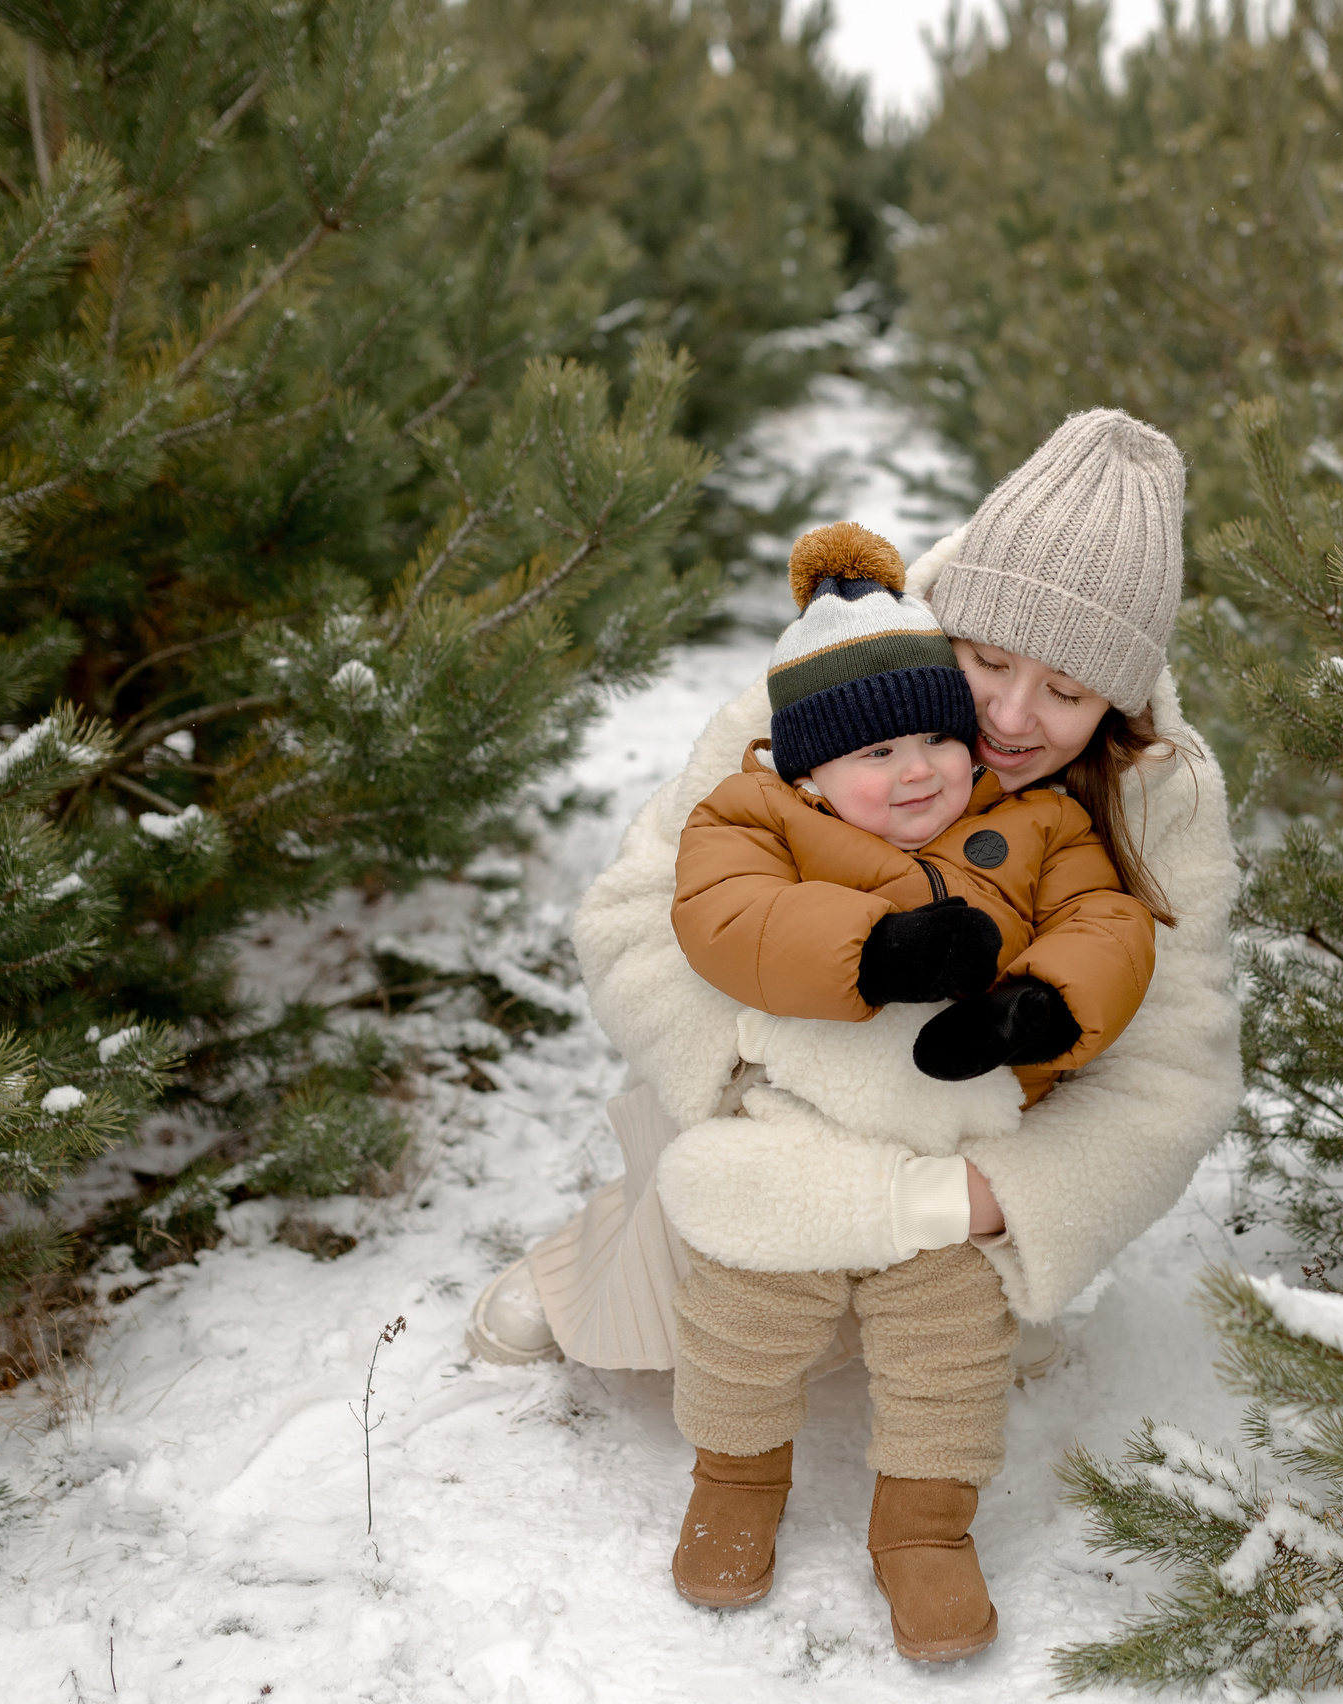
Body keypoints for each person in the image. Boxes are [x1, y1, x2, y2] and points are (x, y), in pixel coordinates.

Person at [464, 408, 1245, 1661]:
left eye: (1068, 689)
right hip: (778, 1088)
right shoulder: (839, 680)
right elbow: (637, 915)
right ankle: (614, 1253)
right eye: (987, 660)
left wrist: (1010, 1194)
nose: (1010, 712)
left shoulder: (1162, 794)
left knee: (938, 1340)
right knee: (705, 1293)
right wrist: (777, 1082)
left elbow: (1179, 1064)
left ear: (1125, 694)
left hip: (971, 1134)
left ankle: (924, 1502)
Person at [655, 520, 1157, 1658]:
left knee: (949, 1359)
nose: (920, 767)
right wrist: (872, 955)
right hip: (797, 1137)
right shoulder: (758, 816)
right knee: (741, 1323)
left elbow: (1108, 925)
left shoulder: (1040, 822)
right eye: (876, 755)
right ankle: (735, 1479)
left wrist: (1046, 1007)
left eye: (938, 736)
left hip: (950, 1153)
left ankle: (925, 1531)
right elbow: (720, 916)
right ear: (811, 771)